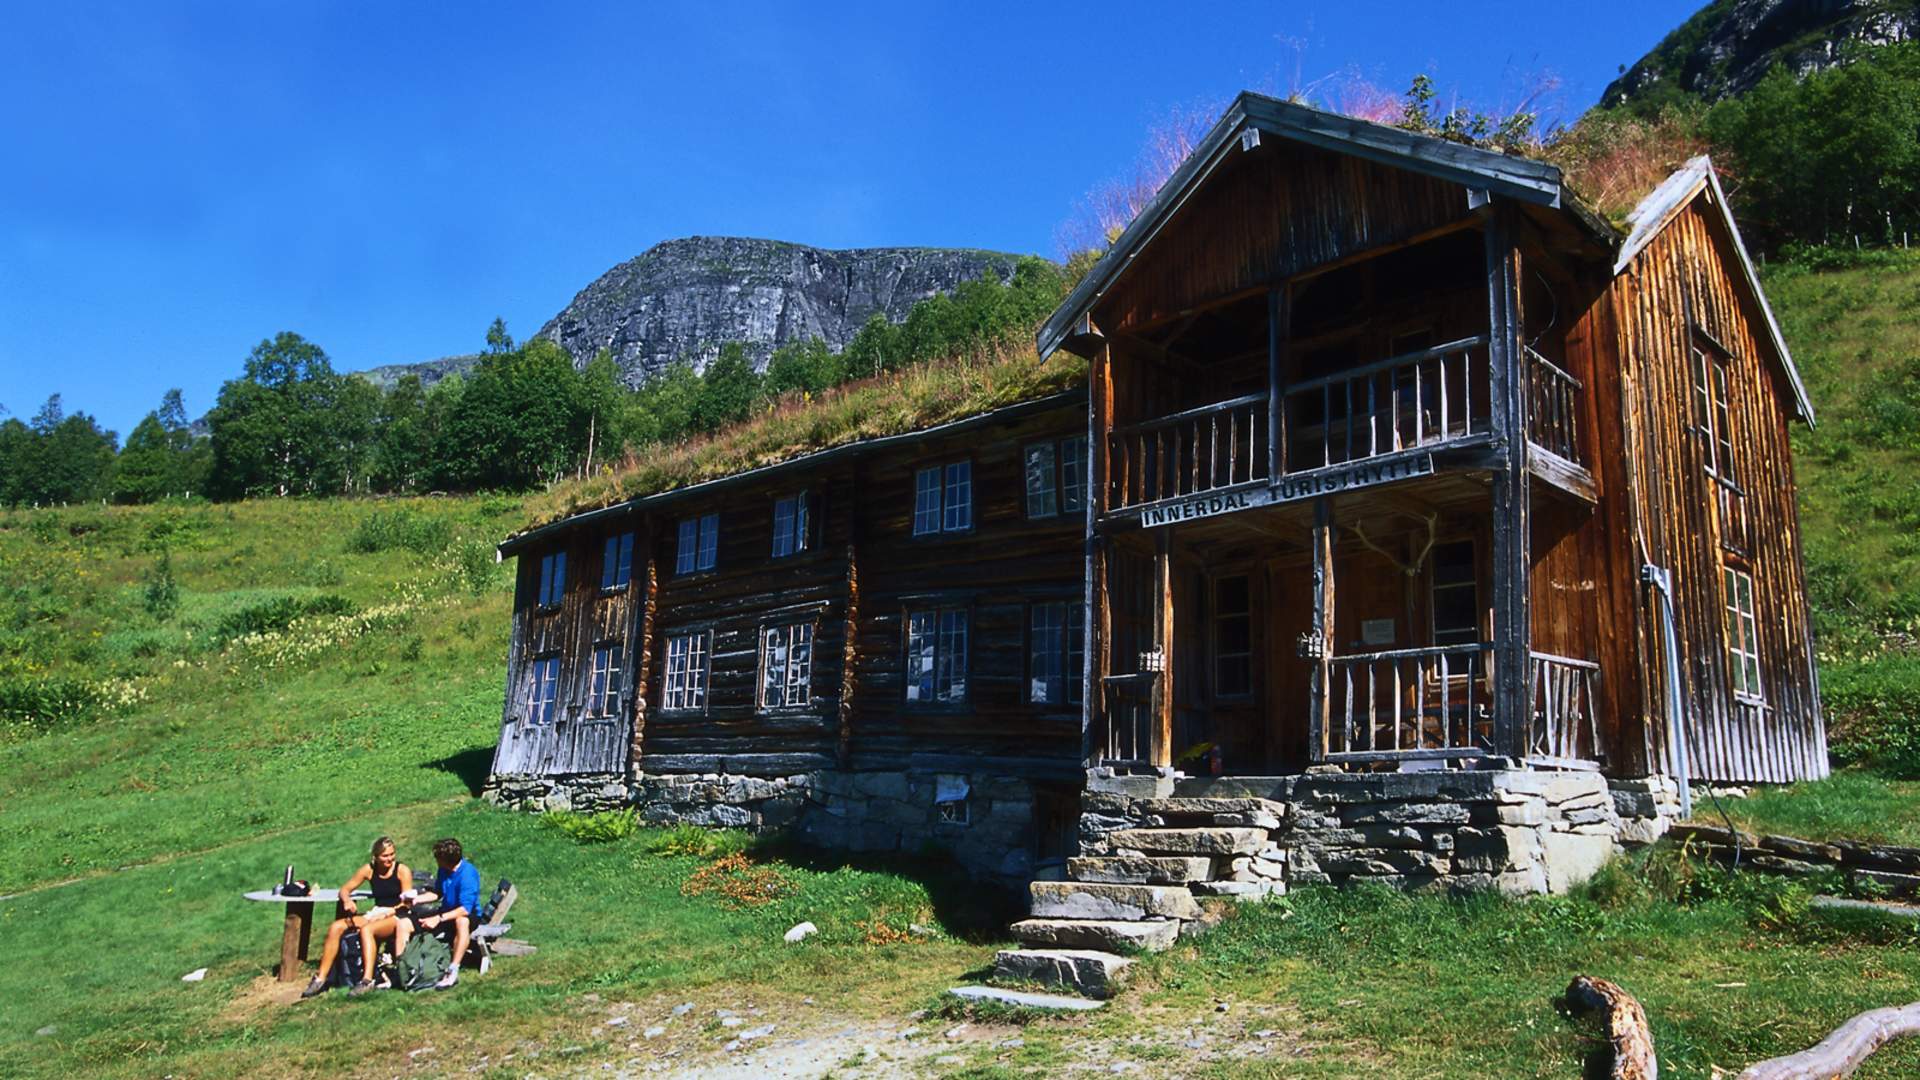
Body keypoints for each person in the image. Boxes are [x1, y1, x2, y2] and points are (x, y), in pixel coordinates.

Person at [300, 836, 413, 999]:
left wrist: (388, 912)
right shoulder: (368, 870)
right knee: (337, 926)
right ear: (375, 856)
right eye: (385, 856)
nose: (389, 859)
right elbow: (345, 888)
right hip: (377, 912)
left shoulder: (402, 870)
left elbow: (407, 904)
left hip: (398, 914)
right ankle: (321, 978)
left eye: (392, 854)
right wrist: (347, 900)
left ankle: (367, 980)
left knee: (367, 930)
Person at [395, 836, 481, 990]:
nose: (436, 861)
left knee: (462, 921)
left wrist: (438, 919)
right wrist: (416, 899)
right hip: (445, 913)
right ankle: (402, 970)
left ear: (445, 860)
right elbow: (438, 894)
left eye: (438, 858)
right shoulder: (444, 870)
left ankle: (452, 970)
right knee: (403, 924)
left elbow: (465, 909)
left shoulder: (467, 875)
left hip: (467, 915)